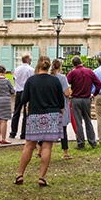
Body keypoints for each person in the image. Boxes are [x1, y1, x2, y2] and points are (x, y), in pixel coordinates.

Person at [16, 58, 65, 186]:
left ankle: (20, 174)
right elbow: (61, 100)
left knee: (29, 145)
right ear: (49, 67)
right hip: (52, 114)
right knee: (47, 146)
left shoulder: (31, 80)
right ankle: (42, 177)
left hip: (35, 114)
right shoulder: (55, 80)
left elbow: (24, 98)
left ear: (38, 66)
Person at [65, 56, 100, 149]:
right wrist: (94, 93)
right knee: (88, 121)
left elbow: (65, 83)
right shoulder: (89, 71)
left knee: (78, 122)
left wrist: (69, 93)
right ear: (81, 62)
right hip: (87, 98)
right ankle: (92, 141)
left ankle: (81, 143)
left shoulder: (72, 73)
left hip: (76, 99)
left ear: (73, 64)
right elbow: (98, 83)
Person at [49, 57, 73, 160]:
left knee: (48, 131)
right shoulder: (62, 78)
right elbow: (66, 92)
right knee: (63, 130)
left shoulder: (49, 77)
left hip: (50, 105)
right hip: (61, 105)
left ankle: (40, 151)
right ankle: (66, 152)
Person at [10, 52, 34, 140]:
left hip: (19, 91)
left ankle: (13, 132)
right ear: (28, 60)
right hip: (27, 92)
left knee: (16, 112)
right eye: (30, 59)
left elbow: (14, 79)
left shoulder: (17, 69)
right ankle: (23, 133)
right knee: (26, 114)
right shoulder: (31, 70)